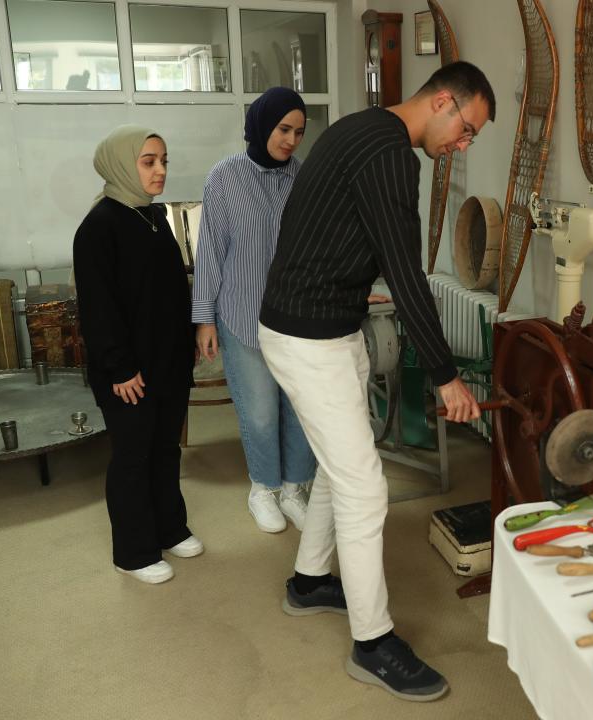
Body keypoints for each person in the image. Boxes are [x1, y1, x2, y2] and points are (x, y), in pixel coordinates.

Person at [258, 61, 493, 703]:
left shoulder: (361, 129)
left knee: (343, 467)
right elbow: (406, 270)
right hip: (309, 338)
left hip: (326, 327)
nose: (463, 144)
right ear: (442, 102)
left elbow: (346, 237)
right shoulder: (391, 153)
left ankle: (310, 582)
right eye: (466, 129)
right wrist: (446, 376)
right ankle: (373, 643)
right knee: (366, 488)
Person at [73, 125, 200, 585]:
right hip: (127, 371)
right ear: (123, 164)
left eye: (163, 160)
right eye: (148, 162)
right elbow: (98, 308)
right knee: (133, 458)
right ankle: (133, 552)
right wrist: (119, 368)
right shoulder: (99, 227)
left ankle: (169, 528)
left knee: (165, 449)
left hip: (167, 363)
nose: (160, 170)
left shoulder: (153, 216)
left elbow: (169, 292)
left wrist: (187, 342)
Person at [193, 88, 317, 534]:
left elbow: (316, 250)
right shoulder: (224, 177)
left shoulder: (304, 177)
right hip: (242, 315)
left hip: (296, 319)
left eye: (299, 132)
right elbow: (210, 252)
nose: (291, 140)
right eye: (284, 129)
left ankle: (294, 488)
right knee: (260, 412)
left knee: (300, 409)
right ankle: (263, 488)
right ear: (262, 124)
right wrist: (204, 318)